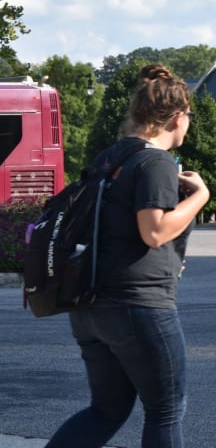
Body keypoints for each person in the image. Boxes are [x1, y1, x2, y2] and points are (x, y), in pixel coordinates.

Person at [46, 64, 209, 448]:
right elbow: (154, 231)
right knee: (166, 410)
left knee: (107, 410)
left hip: (90, 304)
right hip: (138, 306)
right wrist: (202, 195)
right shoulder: (156, 162)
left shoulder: (112, 157)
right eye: (188, 116)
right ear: (178, 117)